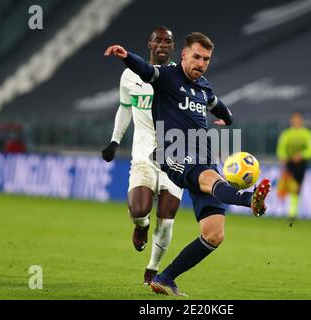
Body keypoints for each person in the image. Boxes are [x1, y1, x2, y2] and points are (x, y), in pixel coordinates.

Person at [104, 32, 271, 296]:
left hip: (203, 155)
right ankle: (250, 199)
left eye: (206, 59)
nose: (201, 63)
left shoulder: (203, 87)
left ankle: (166, 277)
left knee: (214, 234)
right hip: (174, 152)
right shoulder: (167, 76)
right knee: (209, 179)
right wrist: (126, 57)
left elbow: (217, 105)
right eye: (196, 57)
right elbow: (145, 70)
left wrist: (226, 119)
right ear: (184, 55)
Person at [101, 27, 183, 285]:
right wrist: (115, 140)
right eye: (158, 40)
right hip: (143, 156)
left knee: (168, 219)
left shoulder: (181, 76)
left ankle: (153, 269)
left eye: (167, 41)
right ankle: (141, 225)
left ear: (172, 46)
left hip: (174, 157)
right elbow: (125, 108)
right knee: (139, 210)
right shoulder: (129, 76)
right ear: (149, 43)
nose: (162, 44)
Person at [276, 112, 311, 226]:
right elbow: (281, 148)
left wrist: (302, 155)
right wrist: (283, 157)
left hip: (301, 164)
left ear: (301, 121)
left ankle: (292, 212)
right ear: (291, 121)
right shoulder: (286, 134)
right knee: (286, 187)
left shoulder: (307, 134)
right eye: (294, 119)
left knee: (296, 188)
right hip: (289, 164)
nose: (296, 121)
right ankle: (288, 211)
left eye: (298, 119)